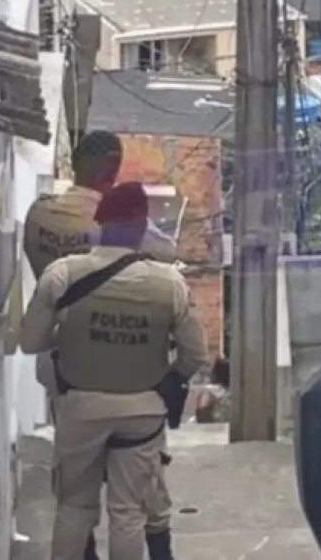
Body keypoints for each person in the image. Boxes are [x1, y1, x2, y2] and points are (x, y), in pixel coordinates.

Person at [19, 182, 210, 560]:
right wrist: (169, 380)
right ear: (141, 229)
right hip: (142, 411)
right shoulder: (169, 282)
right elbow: (196, 355)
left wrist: (72, 333)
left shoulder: (61, 275)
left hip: (81, 407)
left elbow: (30, 341)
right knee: (128, 511)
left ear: (100, 223)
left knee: (74, 507)